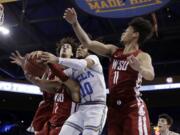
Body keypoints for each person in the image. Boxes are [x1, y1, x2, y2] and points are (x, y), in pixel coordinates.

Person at [63, 8, 155, 135]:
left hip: (132, 107)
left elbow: (150, 75)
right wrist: (75, 23)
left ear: (135, 34)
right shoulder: (114, 51)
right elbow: (88, 43)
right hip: (113, 109)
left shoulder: (142, 56)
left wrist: (140, 68)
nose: (124, 32)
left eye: (127, 30)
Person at [10, 37, 80, 135]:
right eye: (63, 47)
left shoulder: (71, 66)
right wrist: (26, 65)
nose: (64, 48)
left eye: (68, 47)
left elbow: (56, 86)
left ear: (72, 53)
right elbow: (41, 87)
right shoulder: (49, 67)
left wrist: (34, 79)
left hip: (64, 106)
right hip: (49, 105)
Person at [40, 44, 108, 135]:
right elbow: (58, 78)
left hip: (97, 107)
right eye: (78, 48)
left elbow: (81, 64)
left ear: (88, 51)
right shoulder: (73, 71)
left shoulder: (93, 58)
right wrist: (48, 65)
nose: (79, 49)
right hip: (81, 108)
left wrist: (57, 59)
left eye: (82, 47)